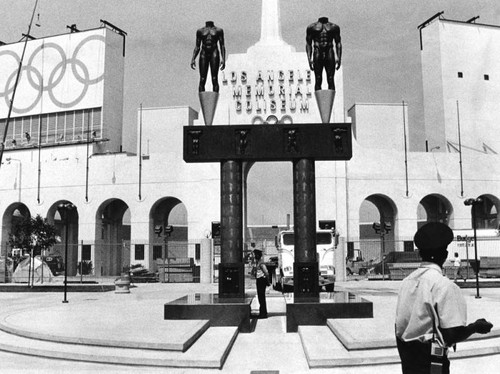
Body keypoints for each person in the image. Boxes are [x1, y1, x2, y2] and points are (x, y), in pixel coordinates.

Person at [395, 222, 493, 374]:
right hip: (432, 362)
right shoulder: (444, 285)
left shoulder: (406, 282)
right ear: (445, 255)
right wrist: (475, 327)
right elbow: (451, 334)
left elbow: (400, 325)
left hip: (408, 359)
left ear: (420, 254)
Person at [306, 17, 342, 91]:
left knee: (331, 78)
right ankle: (319, 101)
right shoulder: (312, 27)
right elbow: (308, 44)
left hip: (329, 50)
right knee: (318, 78)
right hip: (317, 51)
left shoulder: (334, 27)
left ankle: (330, 101)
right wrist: (309, 59)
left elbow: (338, 43)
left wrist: (339, 58)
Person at [191, 21, 226, 92]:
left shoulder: (218, 30)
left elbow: (222, 45)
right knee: (202, 79)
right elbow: (197, 46)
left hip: (214, 52)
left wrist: (223, 59)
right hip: (204, 53)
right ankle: (203, 101)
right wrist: (193, 58)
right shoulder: (200, 31)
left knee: (214, 79)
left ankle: (215, 101)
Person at [253, 248, 269, 319]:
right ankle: (262, 312)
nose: (254, 256)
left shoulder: (261, 263)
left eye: (255, 255)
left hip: (261, 280)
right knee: (260, 297)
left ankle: (263, 313)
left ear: (258, 255)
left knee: (261, 297)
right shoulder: (257, 262)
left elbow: (266, 272)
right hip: (259, 280)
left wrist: (267, 281)